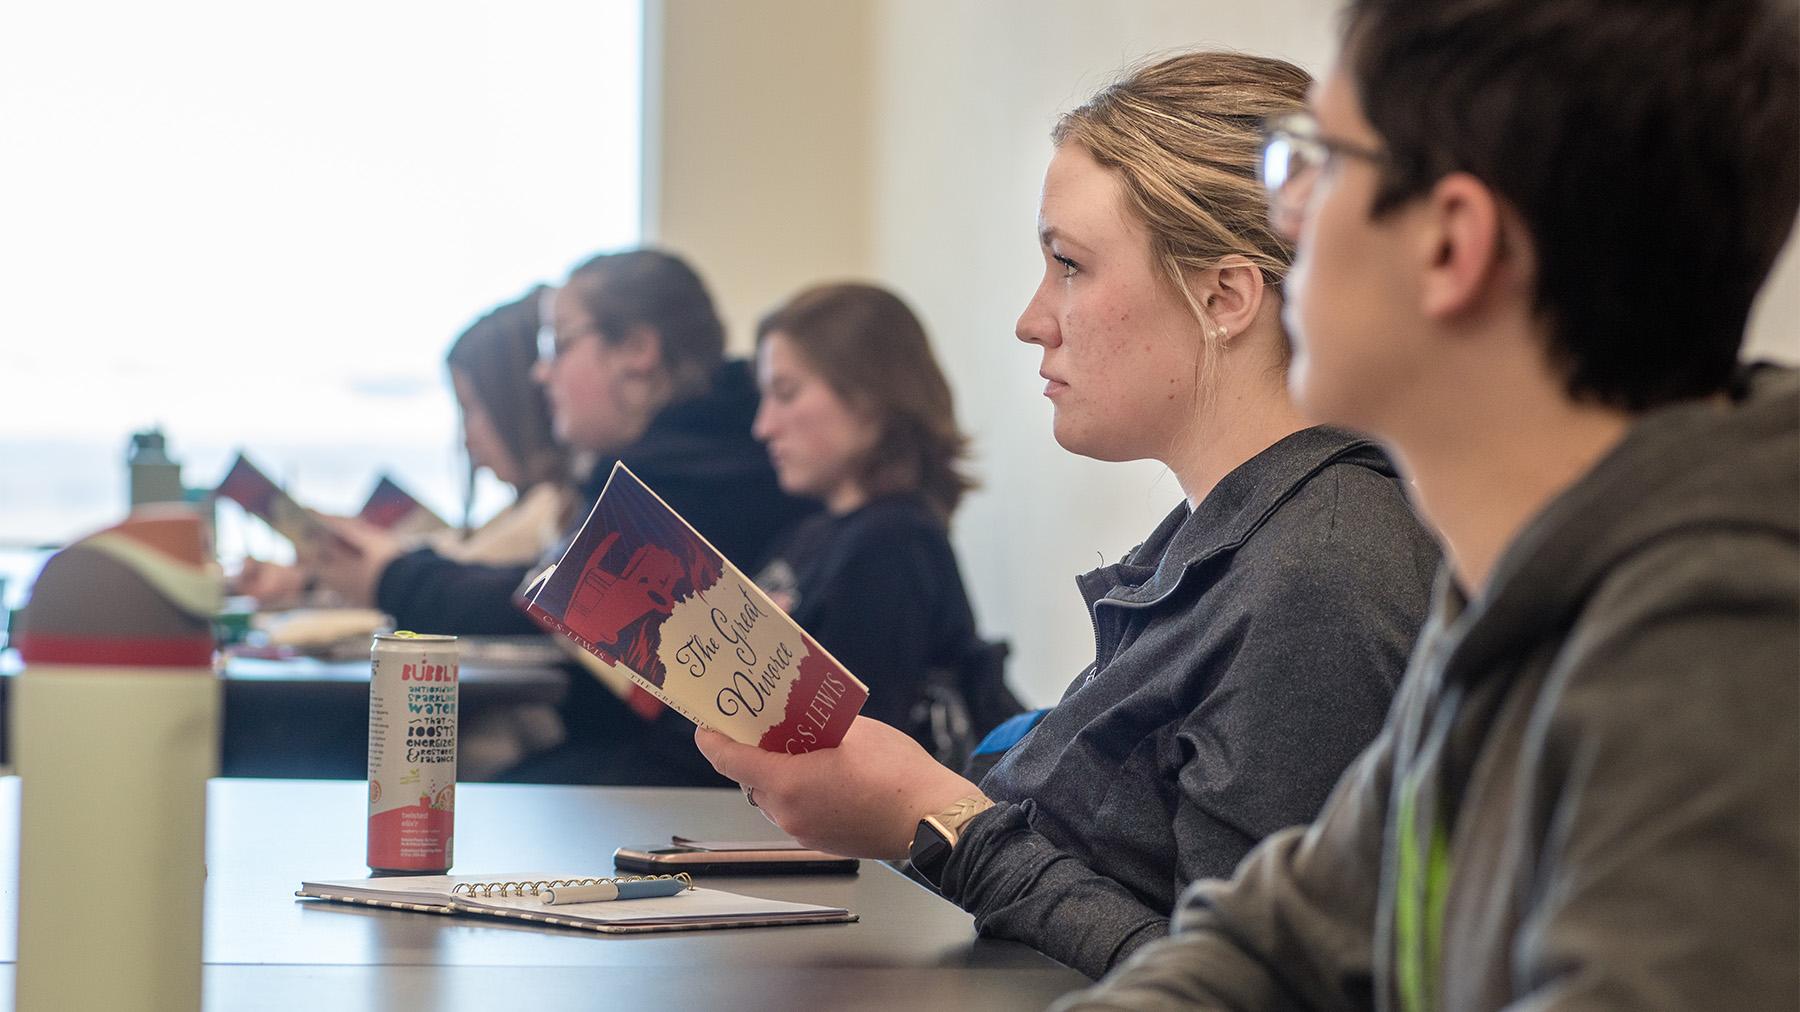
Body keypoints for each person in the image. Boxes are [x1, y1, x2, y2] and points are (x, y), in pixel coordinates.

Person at [1060, 1, 1799, 1009]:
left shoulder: (1720, 650)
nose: (1286, 214)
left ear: (1451, 244)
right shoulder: (1517, 583)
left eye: (1318, 161)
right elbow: (1272, 950)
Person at [695, 52, 1442, 978]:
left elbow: (1234, 996)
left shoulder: (1322, 577)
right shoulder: (1228, 543)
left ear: (1224, 297)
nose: (1032, 319)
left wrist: (940, 822)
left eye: (1069, 265)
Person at [317, 248, 817, 785]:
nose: (540, 371)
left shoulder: (678, 479)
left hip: (690, 789)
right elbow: (545, 584)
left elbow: (553, 599)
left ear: (636, 350)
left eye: (557, 343)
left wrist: (393, 578)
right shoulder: (707, 456)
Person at [749, 281, 1018, 758]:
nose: (764, 426)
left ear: (870, 395)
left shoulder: (891, 543)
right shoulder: (811, 533)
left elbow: (842, 756)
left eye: (785, 393)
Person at [230, 286, 571, 606]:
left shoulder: (548, 512)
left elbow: (465, 567)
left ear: (520, 405)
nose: (466, 439)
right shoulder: (524, 511)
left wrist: (329, 570)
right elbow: (456, 555)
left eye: (472, 410)